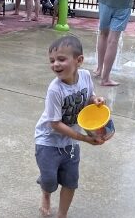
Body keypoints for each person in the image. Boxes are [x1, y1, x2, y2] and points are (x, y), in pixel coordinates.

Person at [35, 36, 106, 218]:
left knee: (70, 181)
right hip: (48, 141)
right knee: (50, 180)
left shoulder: (86, 76)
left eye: (61, 59)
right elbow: (55, 123)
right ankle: (46, 193)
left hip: (70, 143)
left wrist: (95, 100)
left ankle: (62, 214)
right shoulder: (55, 90)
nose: (55, 64)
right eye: (52, 61)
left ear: (79, 60)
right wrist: (83, 138)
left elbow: (89, 96)